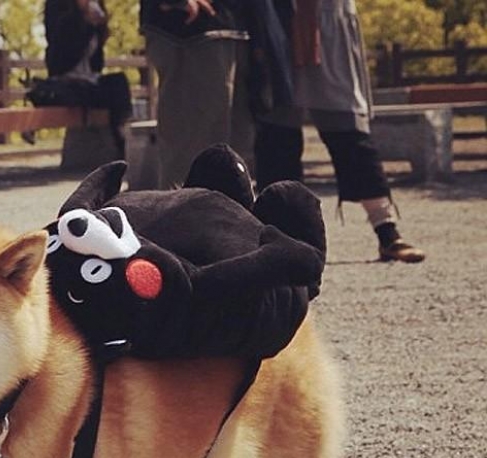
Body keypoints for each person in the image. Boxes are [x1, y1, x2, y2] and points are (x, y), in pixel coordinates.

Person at [254, 0, 425, 263]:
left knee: (350, 134)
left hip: (329, 26)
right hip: (277, 25)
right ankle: (277, 237)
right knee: (278, 139)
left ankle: (387, 231)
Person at [139, 0, 255, 189]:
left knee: (230, 147)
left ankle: (217, 213)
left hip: (229, 25)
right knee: (192, 151)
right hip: (190, 32)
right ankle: (182, 214)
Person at [37, 0, 133, 155]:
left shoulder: (94, 19)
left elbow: (97, 64)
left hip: (89, 79)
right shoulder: (59, 9)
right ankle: (118, 143)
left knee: (119, 82)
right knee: (86, 91)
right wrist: (83, 22)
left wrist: (99, 27)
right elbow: (62, 54)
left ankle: (121, 136)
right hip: (64, 80)